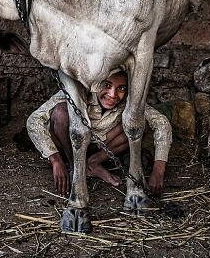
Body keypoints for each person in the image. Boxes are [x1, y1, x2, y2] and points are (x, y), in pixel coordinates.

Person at [26, 70, 172, 197]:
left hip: (100, 146)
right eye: (107, 85)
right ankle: (75, 167)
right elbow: (34, 120)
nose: (112, 95)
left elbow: (161, 122)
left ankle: (93, 163)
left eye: (121, 88)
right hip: (69, 146)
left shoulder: (128, 100)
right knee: (60, 112)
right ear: (96, 83)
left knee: (139, 123)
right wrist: (55, 160)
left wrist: (158, 170)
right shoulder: (78, 91)